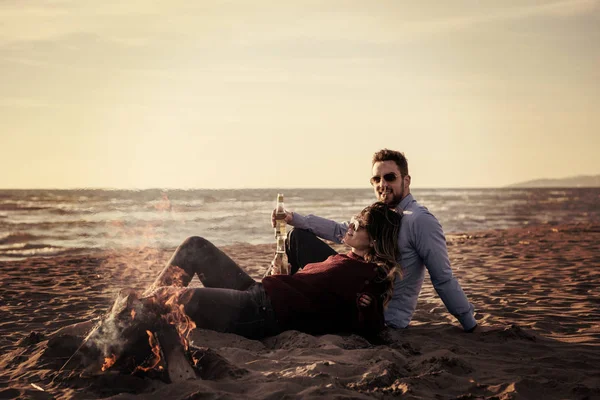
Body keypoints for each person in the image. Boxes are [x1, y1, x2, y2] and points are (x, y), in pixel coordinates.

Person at [272, 149, 477, 332]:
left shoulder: (419, 220)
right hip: (354, 285)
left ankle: (270, 300)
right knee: (297, 237)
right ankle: (269, 291)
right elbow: (339, 230)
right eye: (376, 179)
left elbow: (442, 277)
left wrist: (469, 323)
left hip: (376, 312)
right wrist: (292, 218)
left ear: (406, 180)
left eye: (389, 177)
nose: (382, 185)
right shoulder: (382, 215)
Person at [143, 202, 403, 339]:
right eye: (353, 221)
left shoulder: (368, 277)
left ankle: (133, 314)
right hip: (259, 291)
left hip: (260, 312)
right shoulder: (345, 258)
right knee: (195, 245)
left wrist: (367, 307)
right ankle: (140, 306)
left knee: (169, 298)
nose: (351, 226)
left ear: (374, 240)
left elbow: (374, 328)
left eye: (359, 226)